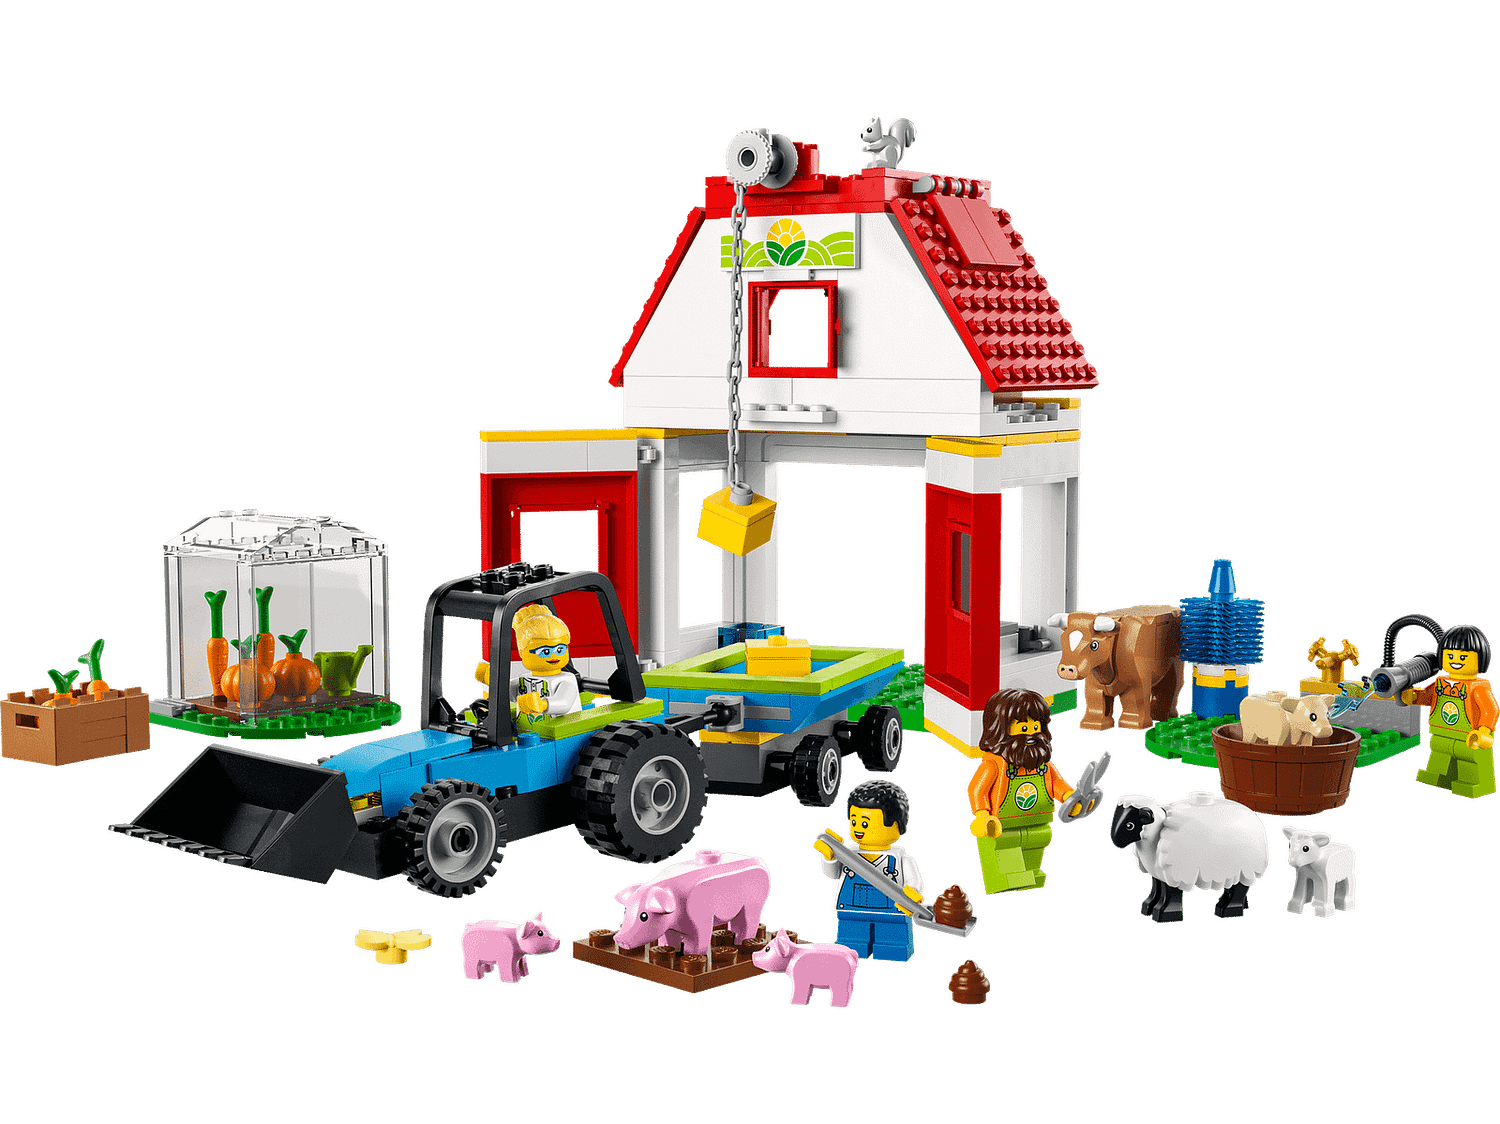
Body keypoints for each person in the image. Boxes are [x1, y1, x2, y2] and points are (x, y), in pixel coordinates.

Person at [968, 687, 1098, 893]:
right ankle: (1013, 885)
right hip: (1003, 829)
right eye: (1022, 728)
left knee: (1033, 869)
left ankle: (1032, 876)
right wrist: (983, 816)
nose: (1031, 734)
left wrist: (1072, 799)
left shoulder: (1042, 764)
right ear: (999, 729)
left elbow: (1058, 785)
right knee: (1011, 875)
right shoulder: (994, 764)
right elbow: (977, 789)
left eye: (1036, 726)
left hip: (1039, 825)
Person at [814, 780, 924, 962]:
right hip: (851, 911)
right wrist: (829, 858)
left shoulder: (900, 858)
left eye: (865, 824)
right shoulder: (847, 853)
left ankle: (892, 949)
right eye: (854, 821)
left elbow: (914, 881)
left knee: (892, 940)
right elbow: (833, 875)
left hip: (891, 912)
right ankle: (851, 949)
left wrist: (912, 893)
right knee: (852, 940)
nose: (858, 829)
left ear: (896, 824)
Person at [1406, 623, 1496, 799]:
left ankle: (1472, 782)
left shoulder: (1478, 687)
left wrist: (1484, 730)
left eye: (1463, 657)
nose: (1455, 661)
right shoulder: (1440, 683)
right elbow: (1426, 697)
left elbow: (1490, 710)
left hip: (1469, 737)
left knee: (1469, 759)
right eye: (1449, 655)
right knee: (1439, 752)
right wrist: (1412, 696)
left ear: (1481, 658)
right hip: (1441, 733)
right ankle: (1436, 775)